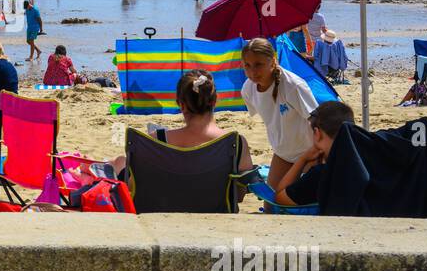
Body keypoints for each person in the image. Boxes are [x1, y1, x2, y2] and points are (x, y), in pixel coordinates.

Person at [105, 70, 254, 182]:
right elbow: (239, 195)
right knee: (118, 161)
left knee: (118, 162)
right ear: (214, 101)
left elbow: (136, 184)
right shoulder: (237, 143)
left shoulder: (154, 140)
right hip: (218, 208)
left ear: (181, 105)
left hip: (160, 207)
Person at [240, 37, 318, 191]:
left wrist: (320, 153)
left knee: (310, 201)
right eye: (247, 66)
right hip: (283, 153)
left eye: (258, 65)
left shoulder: (293, 85)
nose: (252, 72)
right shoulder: (248, 89)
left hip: (310, 152)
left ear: (273, 61)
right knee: (271, 203)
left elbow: (317, 119)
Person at [272, 101, 355, 207]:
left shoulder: (321, 174)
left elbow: (280, 198)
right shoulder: (369, 155)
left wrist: (302, 160)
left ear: (317, 133)